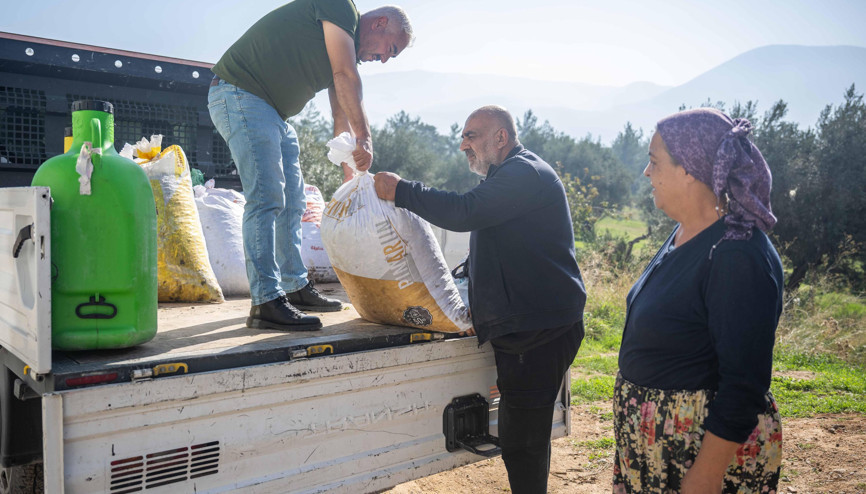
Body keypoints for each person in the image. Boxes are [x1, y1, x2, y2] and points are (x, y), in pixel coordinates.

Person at [373, 105, 587, 494]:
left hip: (538, 332)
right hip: (530, 325)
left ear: (500, 137)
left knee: (522, 441)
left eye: (471, 136)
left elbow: (465, 212)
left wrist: (402, 190)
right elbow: (502, 244)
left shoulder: (525, 174)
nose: (462, 145)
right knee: (523, 432)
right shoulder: (512, 175)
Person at [208, 1, 413, 331]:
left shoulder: (343, 45)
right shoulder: (341, 7)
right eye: (390, 48)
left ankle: (294, 287)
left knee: (293, 203)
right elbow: (345, 76)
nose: (385, 58)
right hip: (240, 93)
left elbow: (339, 108)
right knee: (267, 198)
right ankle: (265, 302)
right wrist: (365, 138)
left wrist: (349, 160)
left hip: (274, 113)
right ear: (379, 23)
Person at [614, 108, 784, 494]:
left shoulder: (736, 255)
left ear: (689, 169)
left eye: (654, 161)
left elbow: (744, 384)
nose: (646, 173)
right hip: (656, 448)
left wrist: (705, 476)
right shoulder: (687, 231)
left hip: (697, 457)